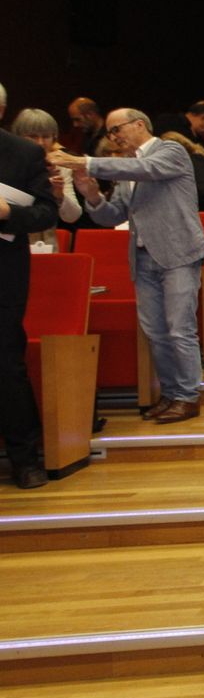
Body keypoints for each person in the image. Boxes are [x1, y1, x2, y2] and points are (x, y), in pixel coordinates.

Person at [51, 108, 204, 424]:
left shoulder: (170, 150)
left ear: (140, 124)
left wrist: (85, 162)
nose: (114, 137)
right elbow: (112, 216)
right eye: (110, 133)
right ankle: (171, 393)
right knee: (156, 331)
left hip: (178, 253)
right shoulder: (128, 168)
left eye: (117, 130)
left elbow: (147, 169)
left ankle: (188, 396)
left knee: (179, 328)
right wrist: (91, 195)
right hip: (143, 257)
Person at [0, 86, 58, 489]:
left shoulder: (22, 153)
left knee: (6, 365)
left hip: (3, 276)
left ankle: (25, 459)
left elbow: (45, 213)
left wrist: (7, 212)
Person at [10, 108, 81, 248]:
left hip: (48, 245)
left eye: (46, 136)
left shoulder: (61, 168)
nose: (41, 142)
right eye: (33, 136)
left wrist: (59, 196)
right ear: (17, 137)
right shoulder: (7, 165)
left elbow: (72, 217)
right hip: (11, 244)